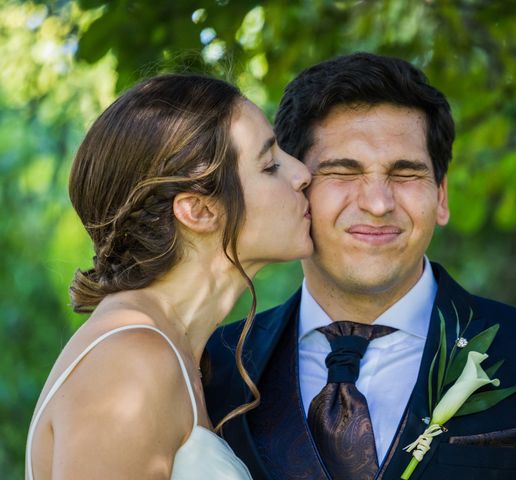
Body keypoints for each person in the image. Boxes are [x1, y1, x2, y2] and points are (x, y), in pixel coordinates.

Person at [204, 53, 516, 479]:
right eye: (344, 172)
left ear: (441, 196)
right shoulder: (213, 365)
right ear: (297, 188)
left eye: (405, 174)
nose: (377, 203)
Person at [25, 74, 313, 479]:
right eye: (270, 165)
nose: (302, 174)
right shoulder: (130, 365)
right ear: (197, 210)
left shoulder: (177, 354)